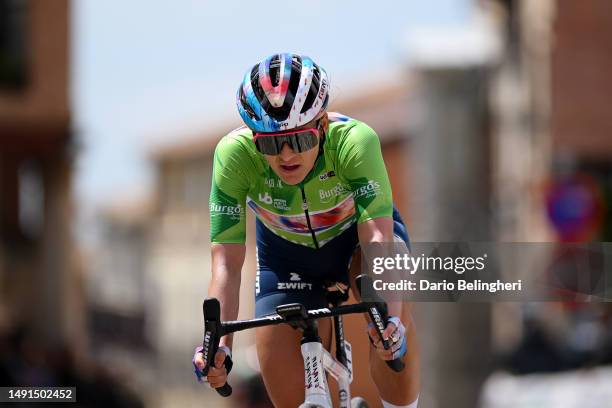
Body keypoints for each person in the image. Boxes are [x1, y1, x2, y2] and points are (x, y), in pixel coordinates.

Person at [193, 53, 420, 408]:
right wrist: (219, 346)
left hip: (358, 245)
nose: (285, 155)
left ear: (323, 126)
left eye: (299, 140)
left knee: (388, 338)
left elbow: (377, 239)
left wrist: (391, 320)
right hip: (286, 259)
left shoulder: (355, 142)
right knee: (282, 386)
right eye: (270, 143)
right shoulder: (233, 157)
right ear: (254, 138)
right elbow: (226, 264)